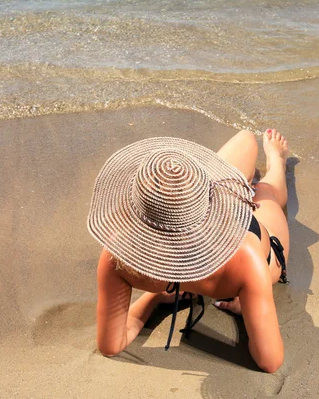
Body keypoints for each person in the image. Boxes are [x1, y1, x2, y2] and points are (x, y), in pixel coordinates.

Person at [88, 128, 289, 373]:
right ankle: (277, 162)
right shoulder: (246, 257)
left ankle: (188, 198)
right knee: (265, 193)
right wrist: (249, 303)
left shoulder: (117, 255)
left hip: (210, 250)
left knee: (246, 140)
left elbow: (111, 345)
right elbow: (270, 361)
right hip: (247, 244)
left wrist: (156, 294)